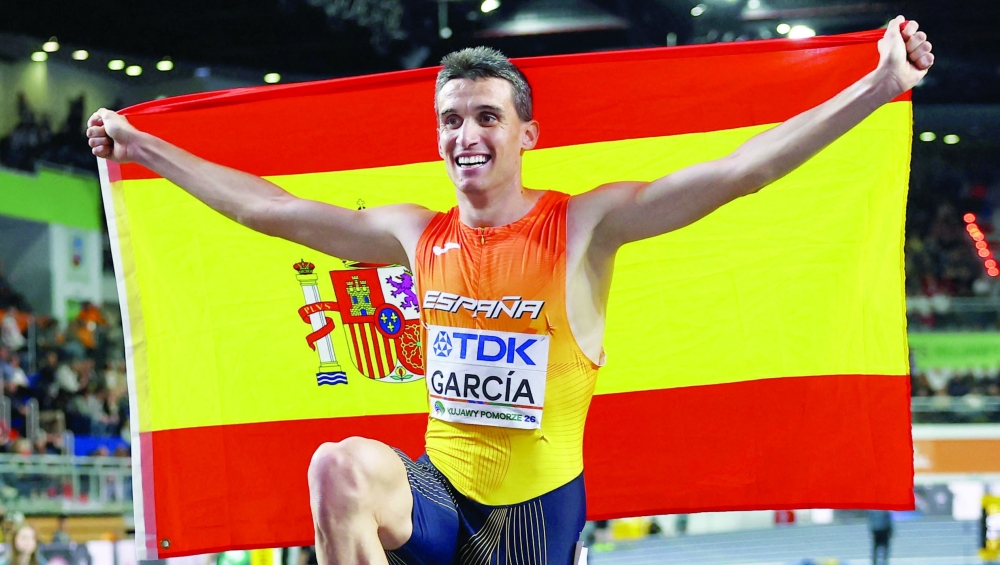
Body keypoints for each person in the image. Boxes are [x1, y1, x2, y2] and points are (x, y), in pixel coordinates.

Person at [86, 17, 933, 565]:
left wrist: (877, 84)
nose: (467, 135)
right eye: (451, 119)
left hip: (534, 522)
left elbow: (744, 171)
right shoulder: (414, 235)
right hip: (439, 500)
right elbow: (269, 209)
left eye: (487, 116)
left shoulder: (587, 227)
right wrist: (140, 148)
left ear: (527, 132)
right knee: (336, 468)